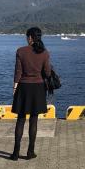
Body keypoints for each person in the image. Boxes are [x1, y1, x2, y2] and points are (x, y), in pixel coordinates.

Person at [10, 27, 51, 161]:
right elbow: (48, 73)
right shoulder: (44, 53)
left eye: (27, 36)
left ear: (30, 37)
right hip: (38, 89)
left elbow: (18, 72)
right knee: (34, 121)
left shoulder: (20, 51)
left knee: (20, 120)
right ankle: (30, 152)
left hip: (23, 88)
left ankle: (15, 153)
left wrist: (15, 87)